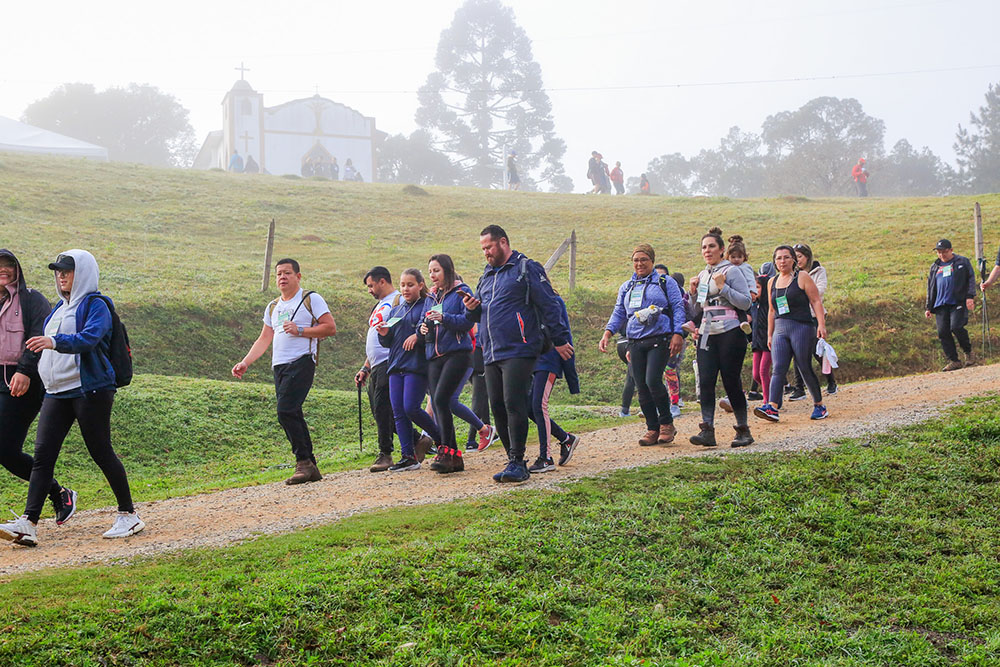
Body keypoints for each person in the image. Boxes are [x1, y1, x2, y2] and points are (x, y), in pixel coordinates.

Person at [0, 251, 142, 547]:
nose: (61, 276)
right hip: (57, 392)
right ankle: (29, 523)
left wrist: (53, 341)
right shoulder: (57, 310)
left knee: (101, 451)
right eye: (58, 271)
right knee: (43, 458)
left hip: (90, 389)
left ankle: (129, 514)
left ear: (85, 273)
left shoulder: (97, 306)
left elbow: (89, 338)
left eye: (68, 271)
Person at [462, 225, 573, 483]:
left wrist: (559, 340)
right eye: (483, 249)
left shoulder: (527, 268)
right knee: (497, 406)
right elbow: (480, 313)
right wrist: (470, 310)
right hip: (491, 351)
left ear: (503, 242)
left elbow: (549, 304)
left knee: (514, 403)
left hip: (520, 348)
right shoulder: (486, 277)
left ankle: (518, 461)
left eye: (488, 247)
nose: (486, 253)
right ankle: (513, 460)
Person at [233, 259, 336, 484]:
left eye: (287, 273)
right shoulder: (273, 306)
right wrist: (245, 362)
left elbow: (329, 327)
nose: (282, 277)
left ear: (298, 276)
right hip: (279, 365)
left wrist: (300, 330)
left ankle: (303, 463)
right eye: (279, 273)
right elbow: (264, 338)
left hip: (302, 360)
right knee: (292, 411)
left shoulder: (310, 299)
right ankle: (310, 465)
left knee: (285, 410)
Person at [0, 250, 77, 531]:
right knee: (4, 451)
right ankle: (58, 493)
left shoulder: (31, 299)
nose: (3, 270)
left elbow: (39, 335)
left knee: (5, 449)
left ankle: (57, 493)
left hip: (24, 381)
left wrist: (25, 370)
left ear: (17, 269)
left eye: (7, 265)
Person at [599, 244, 686, 447]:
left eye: (644, 259)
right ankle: (652, 428)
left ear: (652, 261)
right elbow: (619, 311)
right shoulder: (627, 287)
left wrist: (678, 334)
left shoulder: (665, 282)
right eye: (636, 260)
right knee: (641, 385)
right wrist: (608, 333)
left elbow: (678, 306)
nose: (639, 263)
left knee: (653, 380)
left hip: (660, 337)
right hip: (635, 340)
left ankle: (666, 424)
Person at [421, 255, 498, 474]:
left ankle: (450, 452)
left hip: (458, 353)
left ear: (447, 270)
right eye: (430, 272)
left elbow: (467, 322)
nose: (432, 276)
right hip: (434, 355)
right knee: (438, 404)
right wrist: (423, 328)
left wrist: (443, 319)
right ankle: (451, 455)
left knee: (442, 398)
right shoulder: (431, 296)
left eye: (436, 271)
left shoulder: (461, 291)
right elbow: (423, 320)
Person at [688, 228, 754, 448]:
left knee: (731, 381)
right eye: (704, 247)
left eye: (712, 246)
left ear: (722, 249)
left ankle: (743, 430)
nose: (707, 250)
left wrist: (724, 287)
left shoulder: (733, 271)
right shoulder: (703, 274)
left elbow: (746, 302)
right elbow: (697, 310)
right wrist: (693, 293)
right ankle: (707, 430)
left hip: (730, 332)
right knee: (705, 381)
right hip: (707, 333)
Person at [754, 245, 830, 423]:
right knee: (778, 367)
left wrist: (821, 324)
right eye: (779, 258)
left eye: (786, 257)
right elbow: (772, 311)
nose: (782, 261)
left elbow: (815, 300)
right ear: (774, 261)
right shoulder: (772, 282)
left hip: (801, 327)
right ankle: (772, 406)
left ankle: (819, 404)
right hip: (781, 328)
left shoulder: (802, 277)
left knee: (803, 365)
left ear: (793, 260)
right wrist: (770, 335)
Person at [377, 269, 442, 471]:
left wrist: (418, 336)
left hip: (416, 365)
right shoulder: (396, 310)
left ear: (420, 285)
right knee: (398, 412)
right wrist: (383, 333)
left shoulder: (428, 305)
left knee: (411, 407)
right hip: (395, 365)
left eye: (410, 284)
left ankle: (442, 440)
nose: (405, 289)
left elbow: (431, 329)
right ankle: (408, 456)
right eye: (403, 284)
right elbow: (388, 341)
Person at [356, 267, 404, 472]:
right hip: (375, 365)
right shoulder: (379, 305)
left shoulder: (398, 300)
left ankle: (386, 453)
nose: (369, 290)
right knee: (379, 410)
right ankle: (418, 439)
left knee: (383, 407)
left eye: (371, 285)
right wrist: (365, 367)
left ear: (382, 281)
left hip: (390, 360)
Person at [528, 287, 581, 471]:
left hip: (548, 359)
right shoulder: (522, 304)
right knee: (528, 406)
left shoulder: (554, 302)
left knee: (538, 405)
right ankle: (566, 439)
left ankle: (546, 458)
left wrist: (571, 377)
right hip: (529, 360)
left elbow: (565, 335)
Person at [789, 244, 837, 397]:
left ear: (807, 257)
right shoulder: (792, 274)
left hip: (815, 316)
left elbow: (820, 290)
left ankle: (831, 381)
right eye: (795, 257)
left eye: (800, 257)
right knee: (797, 352)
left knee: (818, 351)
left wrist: (803, 291)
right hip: (797, 316)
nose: (797, 260)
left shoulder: (818, 271)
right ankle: (799, 388)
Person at [925, 239, 976, 371]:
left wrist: (970, 296)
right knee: (943, 332)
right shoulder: (934, 267)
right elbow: (931, 287)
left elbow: (970, 278)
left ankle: (968, 352)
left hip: (958, 301)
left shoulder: (962, 262)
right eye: (939, 252)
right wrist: (928, 307)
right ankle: (954, 360)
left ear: (951, 250)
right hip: (940, 303)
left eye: (944, 252)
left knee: (957, 327)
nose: (942, 255)